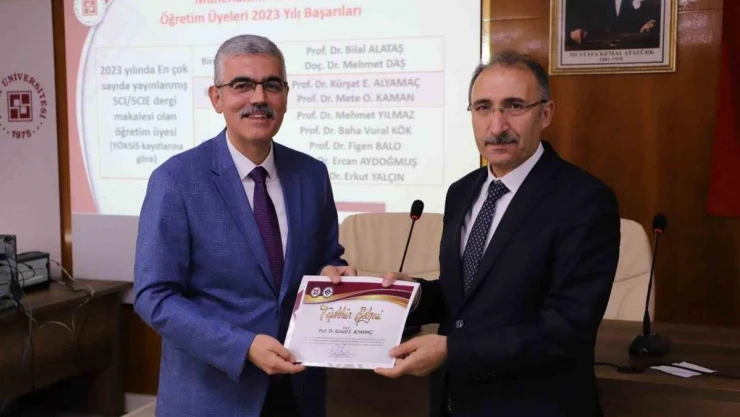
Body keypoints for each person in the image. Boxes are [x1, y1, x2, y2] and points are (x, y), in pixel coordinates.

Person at [375, 51, 621, 416]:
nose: (497, 125)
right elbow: (466, 299)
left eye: (515, 106)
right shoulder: (462, 191)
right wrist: (412, 295)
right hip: (455, 402)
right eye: (483, 108)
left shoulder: (585, 200)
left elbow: (567, 328)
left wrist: (453, 350)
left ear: (546, 113)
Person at [133, 34, 355, 417]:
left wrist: (332, 273)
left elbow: (325, 258)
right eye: (242, 85)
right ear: (216, 97)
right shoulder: (175, 180)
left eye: (272, 85)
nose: (259, 98)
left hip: (298, 391)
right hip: (213, 397)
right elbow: (155, 296)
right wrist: (243, 346)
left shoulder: (312, 174)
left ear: (286, 96)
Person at [567, 0, 660, 48]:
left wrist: (651, 24)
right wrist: (578, 29)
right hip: (601, 49)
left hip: (635, 48)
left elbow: (657, 16)